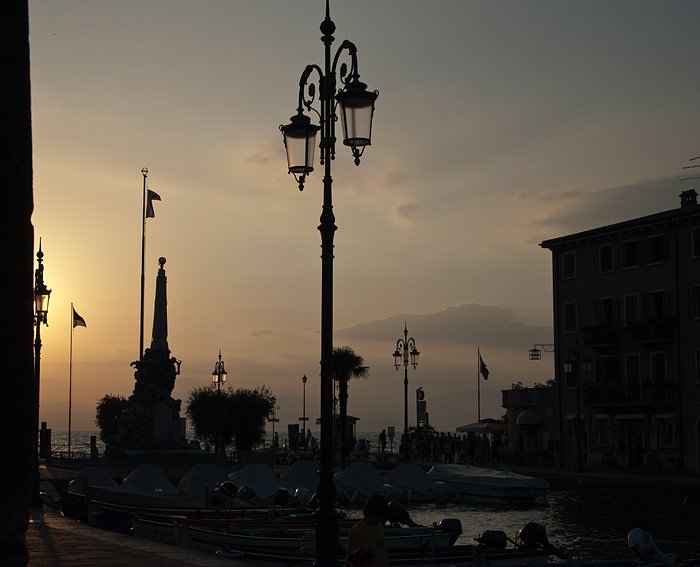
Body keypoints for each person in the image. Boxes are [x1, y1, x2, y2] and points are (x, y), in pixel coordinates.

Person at [346, 494, 389, 567]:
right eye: (378, 516)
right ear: (369, 512)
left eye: (382, 516)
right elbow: (350, 559)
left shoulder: (378, 526)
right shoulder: (357, 531)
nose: (380, 519)